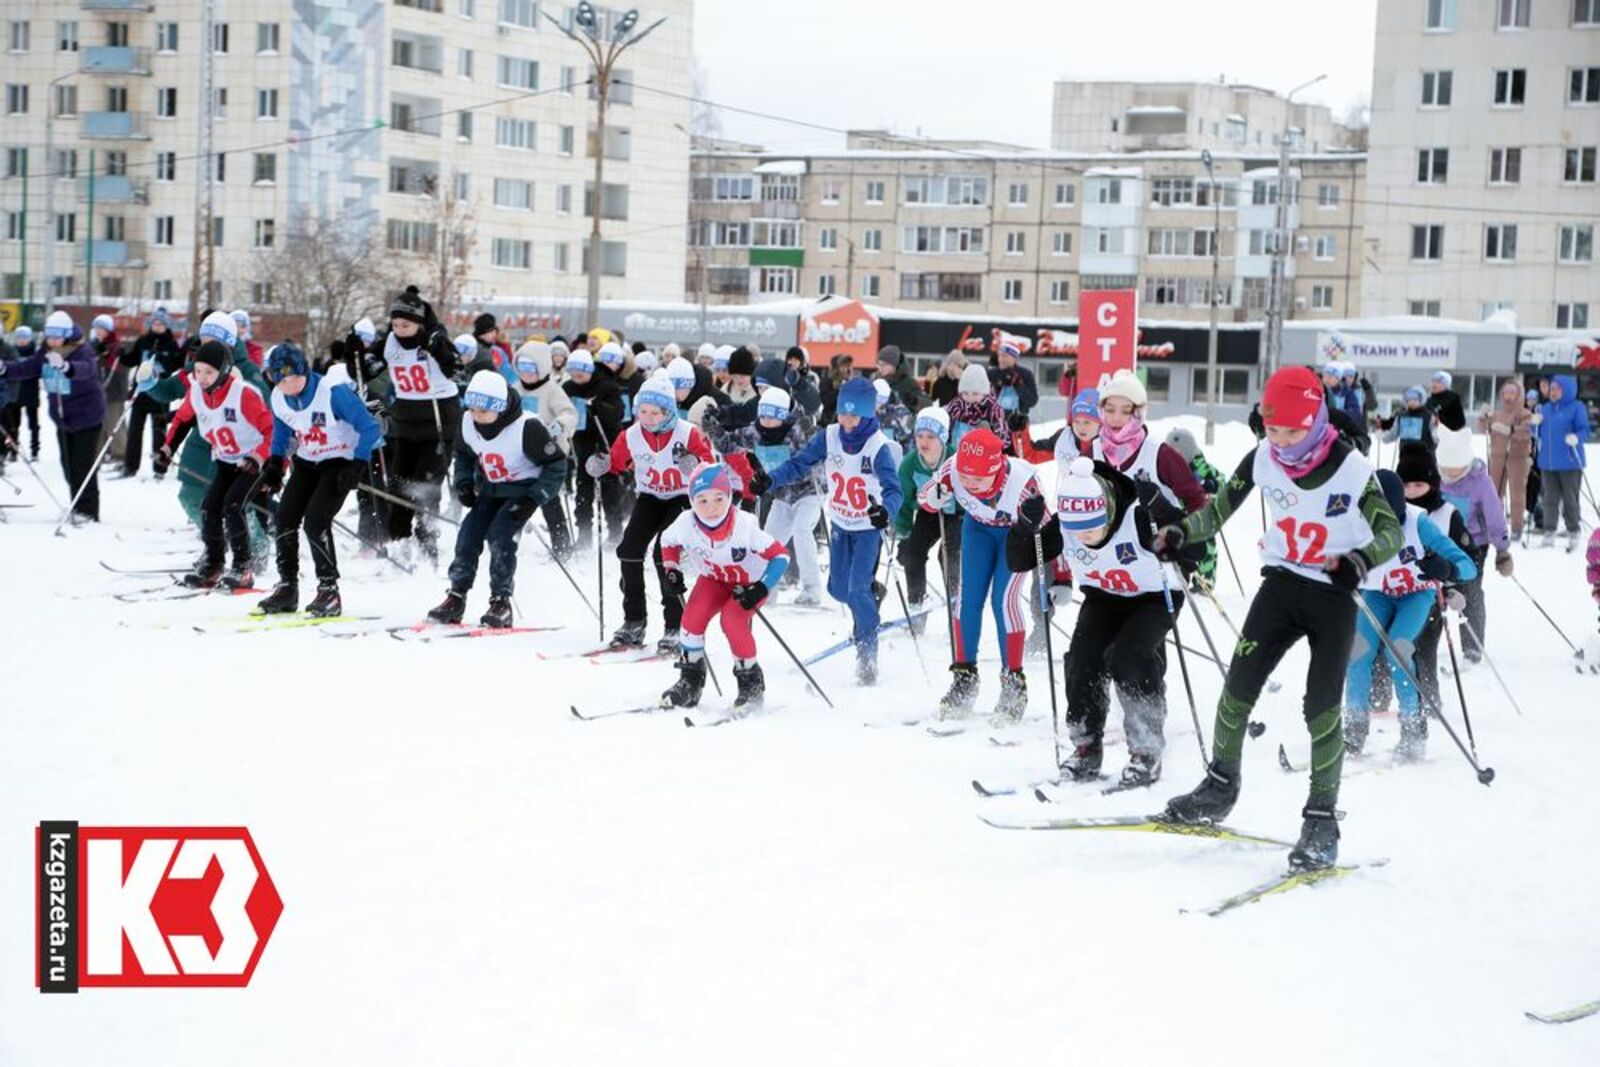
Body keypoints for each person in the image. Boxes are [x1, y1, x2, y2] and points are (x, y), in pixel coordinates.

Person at [1153, 365, 1403, 871]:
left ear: (1314, 420)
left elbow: (1391, 533)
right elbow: (1218, 511)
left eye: (1293, 430)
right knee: (1237, 688)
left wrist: (1360, 560)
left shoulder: (1352, 468)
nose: (1282, 441)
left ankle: (1321, 820)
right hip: (1282, 585)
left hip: (1332, 595)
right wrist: (1182, 532)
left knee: (1320, 708)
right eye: (1273, 429)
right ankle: (1220, 785)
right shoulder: (1263, 456)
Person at [1010, 456, 1184, 786]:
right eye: (1077, 531)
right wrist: (1024, 526)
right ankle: (1086, 747)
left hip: (1153, 600)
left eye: (1093, 528)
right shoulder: (1068, 523)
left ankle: (1147, 750)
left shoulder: (1136, 517)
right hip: (1103, 598)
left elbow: (1189, 546)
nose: (1085, 537)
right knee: (1081, 661)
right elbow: (1019, 560)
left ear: (1107, 510)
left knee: (1129, 657)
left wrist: (1163, 513)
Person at [756, 376, 902, 684]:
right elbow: (800, 463)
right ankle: (869, 601)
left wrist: (884, 512)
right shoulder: (830, 435)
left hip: (866, 529)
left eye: (854, 414)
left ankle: (867, 651)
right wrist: (771, 480)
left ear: (867, 413)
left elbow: (894, 489)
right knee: (839, 590)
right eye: (842, 412)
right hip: (839, 522)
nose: (847, 420)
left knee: (857, 590)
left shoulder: (878, 447)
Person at [1343, 470, 1477, 762]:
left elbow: (1468, 565)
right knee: (1357, 653)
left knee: (1398, 650)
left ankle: (1413, 730)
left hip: (1414, 595)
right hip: (1377, 594)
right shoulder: (1354, 524)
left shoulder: (1419, 523)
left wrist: (1446, 568)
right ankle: (1353, 731)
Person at [423, 371, 567, 628]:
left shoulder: (527, 427)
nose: (476, 417)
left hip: (521, 491)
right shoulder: (468, 422)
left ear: (499, 408)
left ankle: (501, 601)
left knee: (501, 536)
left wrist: (534, 499)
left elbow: (556, 465)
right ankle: (456, 596)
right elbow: (464, 454)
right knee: (468, 534)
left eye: (483, 412)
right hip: (491, 489)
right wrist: (464, 482)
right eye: (473, 409)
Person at [589, 371, 716, 652]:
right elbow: (616, 463)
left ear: (668, 411)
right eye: (642, 411)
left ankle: (674, 624)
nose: (647, 417)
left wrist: (693, 463)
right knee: (629, 550)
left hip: (682, 498)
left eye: (654, 412)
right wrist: (601, 465)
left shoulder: (687, 432)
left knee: (663, 554)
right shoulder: (631, 435)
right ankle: (634, 620)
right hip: (650, 496)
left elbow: (710, 466)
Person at [918, 428, 1039, 721]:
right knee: (967, 600)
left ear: (996, 470)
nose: (969, 485)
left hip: (1014, 536)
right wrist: (933, 497)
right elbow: (925, 498)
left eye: (978, 479)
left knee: (1004, 602)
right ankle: (964, 678)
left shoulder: (1023, 481)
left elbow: (1050, 530)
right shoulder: (954, 467)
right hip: (978, 530)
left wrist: (1061, 577)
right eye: (965, 478)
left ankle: (1013, 684)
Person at [256, 342, 383, 617]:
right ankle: (287, 587)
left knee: (315, 521)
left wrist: (358, 464)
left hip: (339, 462)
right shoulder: (278, 397)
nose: (287, 385)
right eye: (280, 379)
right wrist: (276, 463)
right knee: (285, 518)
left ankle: (329, 591)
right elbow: (282, 430)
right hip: (307, 462)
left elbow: (370, 428)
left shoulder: (332, 393)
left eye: (292, 377)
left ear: (304, 371)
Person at [658, 461, 791, 710]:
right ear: (692, 500)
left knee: (732, 620)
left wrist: (762, 588)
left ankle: (751, 684)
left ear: (729, 496)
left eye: (719, 499)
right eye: (702, 500)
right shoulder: (686, 522)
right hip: (714, 579)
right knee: (690, 621)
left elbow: (781, 556)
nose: (711, 508)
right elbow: (667, 541)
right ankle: (690, 681)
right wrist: (672, 570)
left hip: (748, 585)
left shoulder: (744, 527)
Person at [158, 332, 275, 586]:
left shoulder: (243, 394)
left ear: (223, 371)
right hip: (225, 462)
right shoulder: (197, 393)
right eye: (198, 371)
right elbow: (181, 420)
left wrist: (259, 458)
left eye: (208, 372)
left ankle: (243, 568)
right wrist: (166, 451)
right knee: (209, 508)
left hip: (254, 464)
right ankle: (213, 565)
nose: (201, 378)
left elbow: (270, 430)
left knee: (234, 506)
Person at [378, 286, 462, 562]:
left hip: (438, 420)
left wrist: (438, 350)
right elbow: (368, 364)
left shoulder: (436, 338)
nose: (400, 329)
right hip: (406, 423)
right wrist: (356, 349)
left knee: (426, 487)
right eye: (395, 324)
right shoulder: (390, 341)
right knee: (399, 485)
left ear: (418, 323)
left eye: (406, 324)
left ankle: (428, 544)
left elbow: (456, 370)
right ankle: (398, 543)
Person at [721, 386, 825, 606]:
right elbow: (728, 444)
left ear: (784, 416)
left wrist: (813, 433)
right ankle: (768, 588)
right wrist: (716, 430)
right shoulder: (755, 431)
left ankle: (812, 588)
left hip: (808, 492)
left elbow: (818, 451)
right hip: (782, 495)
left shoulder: (797, 431)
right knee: (769, 540)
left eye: (773, 416)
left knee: (801, 529)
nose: (767, 421)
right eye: (763, 415)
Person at [0, 311, 108, 521]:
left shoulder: (82, 350)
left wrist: (67, 367)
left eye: (57, 337)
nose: (53, 341)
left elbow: (86, 370)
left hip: (87, 416)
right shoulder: (46, 351)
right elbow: (28, 367)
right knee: (68, 467)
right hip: (63, 419)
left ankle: (88, 512)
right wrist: (5, 369)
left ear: (67, 335)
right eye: (50, 336)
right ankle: (76, 506)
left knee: (82, 467)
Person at [1394, 444, 1471, 718]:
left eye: (1418, 484)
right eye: (1405, 485)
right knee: (1390, 647)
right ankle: (1378, 699)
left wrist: (1453, 587)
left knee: (1423, 649)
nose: (1411, 491)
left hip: (1430, 594)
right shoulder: (1390, 513)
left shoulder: (1447, 514)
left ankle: (1428, 700)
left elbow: (1462, 556)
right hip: (1393, 591)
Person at [1435, 424, 1511, 662]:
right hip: (1438, 544)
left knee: (1470, 593)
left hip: (1473, 546)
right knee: (1434, 594)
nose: (1451, 474)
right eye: (1446, 469)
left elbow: (1494, 516)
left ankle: (1472, 647)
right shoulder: (1435, 478)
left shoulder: (1480, 481)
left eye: (1456, 469)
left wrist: (1502, 550)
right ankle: (1426, 644)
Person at [1093, 370, 1207, 514]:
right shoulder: (1091, 453)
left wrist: (1173, 521)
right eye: (1110, 410)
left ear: (1139, 413)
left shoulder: (1160, 454)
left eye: (1126, 411)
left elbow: (1198, 503)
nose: (1116, 418)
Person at [894, 406, 963, 632]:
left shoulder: (956, 459)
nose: (924, 442)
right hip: (928, 513)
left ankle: (957, 609)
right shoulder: (910, 463)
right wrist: (903, 532)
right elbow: (904, 500)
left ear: (942, 438)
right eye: (920, 435)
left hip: (956, 515)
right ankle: (916, 608)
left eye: (931, 437)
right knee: (912, 554)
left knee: (948, 556)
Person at [512, 340, 579, 559]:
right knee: (516, 499)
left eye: (532, 369)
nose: (527, 374)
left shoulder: (552, 391)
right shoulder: (514, 389)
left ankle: (562, 546)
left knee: (549, 500)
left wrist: (558, 424)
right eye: (522, 368)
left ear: (542, 368)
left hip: (548, 454)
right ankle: (508, 540)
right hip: (520, 454)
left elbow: (570, 413)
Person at [564, 344, 626, 547]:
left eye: (581, 375)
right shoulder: (568, 388)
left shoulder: (608, 386)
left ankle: (615, 533)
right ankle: (584, 535)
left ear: (590, 370)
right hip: (582, 445)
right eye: (573, 374)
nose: (576, 379)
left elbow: (618, 414)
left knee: (609, 492)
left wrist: (597, 406)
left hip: (604, 445)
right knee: (583, 493)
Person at [119, 309, 184, 477]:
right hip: (141, 394)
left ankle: (159, 467)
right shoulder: (143, 341)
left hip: (160, 394)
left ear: (166, 325)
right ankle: (130, 466)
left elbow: (176, 365)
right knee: (134, 432)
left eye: (161, 324)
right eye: (155, 323)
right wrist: (121, 356)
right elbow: (132, 359)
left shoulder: (170, 343)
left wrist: (163, 360)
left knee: (159, 433)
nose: (157, 326)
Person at [1532, 373, 1590, 551]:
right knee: (1550, 498)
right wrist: (1534, 424)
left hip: (1570, 461)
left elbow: (1585, 430)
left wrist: (1576, 437)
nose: (1553, 392)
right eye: (1551, 388)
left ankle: (1574, 530)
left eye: (1557, 388)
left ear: (1567, 390)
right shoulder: (1546, 409)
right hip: (1548, 462)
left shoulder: (1576, 407)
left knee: (1570, 498)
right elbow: (1536, 434)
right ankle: (1549, 530)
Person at [1164, 427, 1223, 590]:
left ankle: (1205, 580)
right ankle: (1178, 577)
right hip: (1177, 513)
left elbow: (1222, 481)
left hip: (1201, 515)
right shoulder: (1167, 467)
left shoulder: (1201, 467)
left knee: (1206, 546)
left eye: (1179, 452)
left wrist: (1214, 484)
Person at [1480, 379, 1534, 542]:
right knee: (1494, 493)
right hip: (1497, 456)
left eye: (1512, 393)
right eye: (1505, 393)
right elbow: (1484, 429)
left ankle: (1517, 527)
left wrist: (1510, 430)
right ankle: (1495, 526)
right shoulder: (1497, 414)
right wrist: (1484, 418)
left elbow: (1527, 431)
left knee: (1517, 494)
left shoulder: (1525, 414)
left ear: (1519, 395)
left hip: (1517, 457)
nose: (1508, 397)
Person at [945, 364, 1012, 451]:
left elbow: (1003, 439)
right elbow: (945, 432)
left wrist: (990, 435)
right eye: (965, 393)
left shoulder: (993, 410)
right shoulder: (954, 407)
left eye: (975, 394)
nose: (970, 398)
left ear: (985, 393)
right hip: (956, 455)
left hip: (984, 457)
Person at [1, 325, 41, 461]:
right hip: (16, 393)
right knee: (14, 424)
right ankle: (13, 449)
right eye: (19, 338)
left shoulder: (35, 353)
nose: (21, 341)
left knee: (33, 423)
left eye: (24, 338)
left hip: (31, 391)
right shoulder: (13, 350)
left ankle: (35, 450)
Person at [988, 339, 1039, 435]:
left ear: (1014, 358)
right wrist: (998, 386)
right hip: (995, 422)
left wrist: (1018, 385)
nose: (1001, 359)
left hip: (1018, 422)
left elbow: (1032, 401)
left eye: (1005, 356)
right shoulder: (992, 374)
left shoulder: (1025, 374)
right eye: (999, 356)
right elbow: (983, 399)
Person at [1377, 386, 1436, 451]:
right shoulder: (1402, 416)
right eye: (1410, 399)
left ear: (1421, 399)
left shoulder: (1429, 417)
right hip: (1405, 455)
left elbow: (1435, 435)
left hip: (1425, 455)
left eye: (1415, 399)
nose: (1412, 402)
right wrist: (1383, 436)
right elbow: (1394, 433)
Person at [875, 345, 926, 413]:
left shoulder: (908, 383)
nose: (880, 368)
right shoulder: (875, 379)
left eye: (884, 364)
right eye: (879, 364)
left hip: (900, 420)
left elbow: (926, 405)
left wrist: (912, 400)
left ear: (894, 365)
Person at [819, 353, 857, 425]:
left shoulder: (851, 382)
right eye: (842, 366)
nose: (845, 370)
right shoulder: (827, 381)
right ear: (836, 368)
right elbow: (826, 402)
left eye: (847, 366)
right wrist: (839, 389)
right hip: (830, 421)